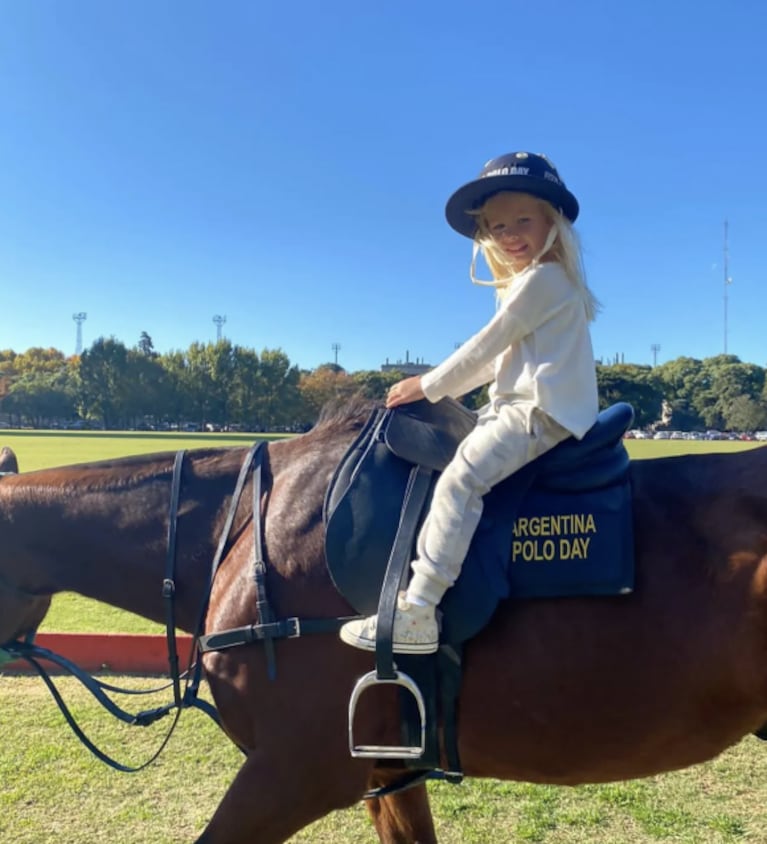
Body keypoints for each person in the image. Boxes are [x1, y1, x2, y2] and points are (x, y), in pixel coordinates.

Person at [340, 151, 600, 655]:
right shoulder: (527, 283)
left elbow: (486, 344)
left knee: (462, 478)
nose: (510, 233)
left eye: (523, 219)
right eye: (497, 226)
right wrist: (443, 390)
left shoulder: (545, 279)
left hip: (539, 412)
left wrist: (428, 386)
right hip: (516, 406)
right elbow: (492, 361)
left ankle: (418, 610)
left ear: (553, 220)